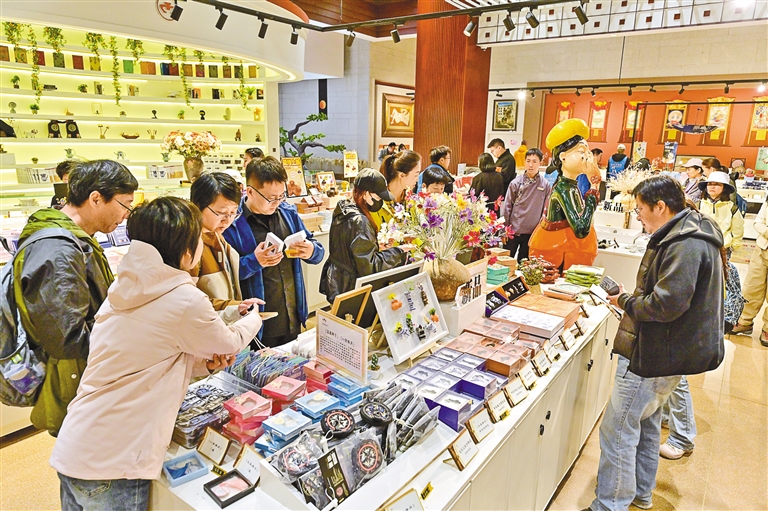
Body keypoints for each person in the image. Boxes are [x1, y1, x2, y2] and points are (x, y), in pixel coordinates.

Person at [50, 196, 262, 511]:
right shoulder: (183, 298)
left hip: (79, 443)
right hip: (116, 459)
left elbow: (148, 357)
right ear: (187, 251)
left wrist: (202, 366)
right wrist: (255, 318)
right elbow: (228, 343)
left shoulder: (126, 285)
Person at [588, 175, 724, 511]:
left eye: (640, 209)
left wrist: (625, 302)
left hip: (652, 354)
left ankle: (610, 504)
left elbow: (666, 304)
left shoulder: (685, 243)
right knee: (646, 425)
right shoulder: (691, 232)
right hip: (666, 353)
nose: (638, 216)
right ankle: (640, 494)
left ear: (660, 206)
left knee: (618, 430)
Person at [14, 159, 138, 436]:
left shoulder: (72, 238)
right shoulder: (58, 250)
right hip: (75, 382)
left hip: (83, 375)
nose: (126, 215)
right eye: (125, 204)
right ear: (96, 199)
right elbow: (67, 339)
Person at [223, 157, 325, 347]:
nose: (277, 202)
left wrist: (310, 250)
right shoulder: (232, 224)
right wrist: (255, 261)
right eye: (271, 198)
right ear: (250, 192)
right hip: (256, 322)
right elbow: (226, 275)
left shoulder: (288, 213)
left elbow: (318, 252)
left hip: (292, 314)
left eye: (282, 196)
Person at [320, 169, 411, 303]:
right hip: (351, 287)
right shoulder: (360, 221)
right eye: (378, 198)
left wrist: (375, 246)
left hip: (336, 283)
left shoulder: (343, 209)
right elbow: (370, 266)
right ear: (366, 194)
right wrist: (398, 252)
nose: (380, 202)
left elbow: (349, 250)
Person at [189, 173, 262, 323]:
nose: (227, 221)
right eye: (221, 213)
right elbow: (187, 301)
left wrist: (236, 308)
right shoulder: (189, 245)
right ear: (197, 206)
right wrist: (234, 308)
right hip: (206, 327)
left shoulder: (216, 235)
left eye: (233, 213)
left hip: (223, 324)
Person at [529, 118, 601, 269]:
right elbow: (581, 229)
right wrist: (594, 188)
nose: (587, 156)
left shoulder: (571, 186)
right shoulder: (564, 189)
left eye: (588, 151)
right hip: (556, 255)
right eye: (581, 151)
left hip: (563, 252)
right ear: (563, 157)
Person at [502, 148, 552, 261]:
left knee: (524, 265)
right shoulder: (515, 183)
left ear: (540, 163)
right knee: (505, 263)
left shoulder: (545, 185)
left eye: (534, 161)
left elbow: (546, 210)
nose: (531, 165)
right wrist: (505, 230)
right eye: (528, 161)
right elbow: (507, 207)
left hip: (532, 234)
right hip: (513, 231)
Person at [732, 199, 768, 346]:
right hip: (762, 248)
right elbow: (758, 222)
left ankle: (767, 328)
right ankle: (744, 321)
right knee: (752, 286)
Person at [371, 150, 422, 230]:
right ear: (401, 175)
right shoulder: (376, 201)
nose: (417, 179)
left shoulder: (410, 201)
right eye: (416, 175)